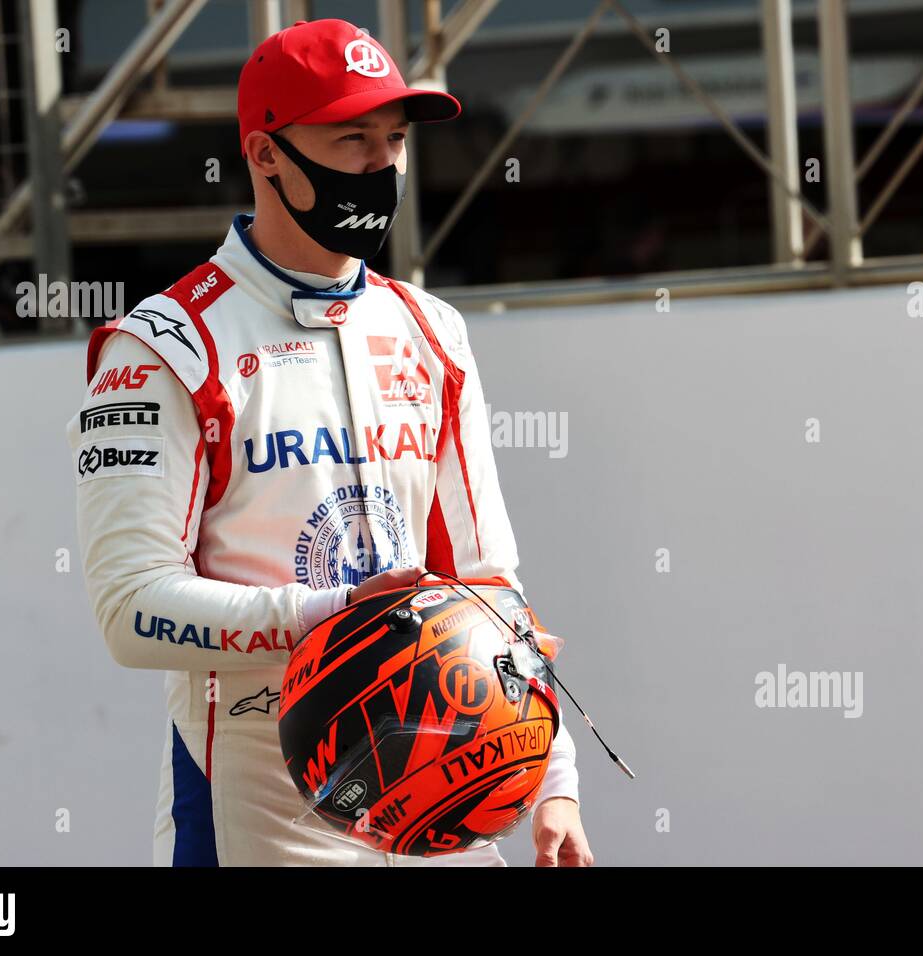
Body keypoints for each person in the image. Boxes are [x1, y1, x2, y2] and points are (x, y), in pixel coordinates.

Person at [65, 18, 592, 867]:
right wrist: (328, 621)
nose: (381, 165)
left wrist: (553, 771)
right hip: (257, 784)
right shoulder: (164, 344)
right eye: (351, 139)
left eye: (393, 140)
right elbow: (129, 612)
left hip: (448, 768)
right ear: (266, 154)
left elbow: (487, 579)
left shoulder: (432, 329)